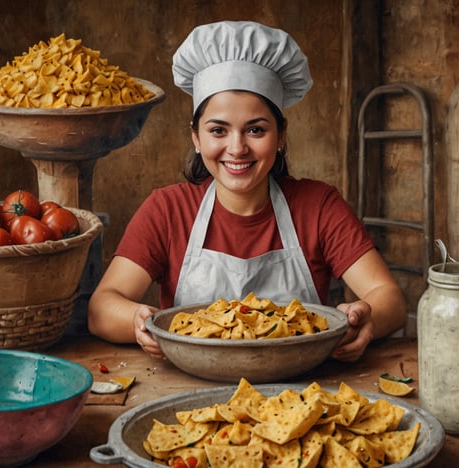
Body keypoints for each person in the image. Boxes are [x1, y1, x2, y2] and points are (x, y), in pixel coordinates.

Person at [88, 20, 406, 362]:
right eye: (218, 130)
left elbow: (389, 298)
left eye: (255, 130)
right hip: (189, 392)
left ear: (281, 135)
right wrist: (138, 322)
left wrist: (365, 317)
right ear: (196, 137)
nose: (237, 148)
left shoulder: (318, 206)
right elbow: (102, 307)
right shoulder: (168, 209)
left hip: (300, 389)